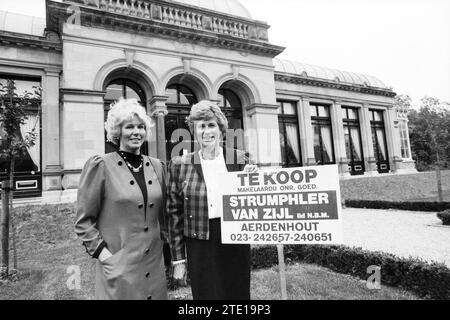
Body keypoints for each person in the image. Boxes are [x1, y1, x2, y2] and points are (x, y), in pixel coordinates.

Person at [75, 98, 168, 300]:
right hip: (118, 267)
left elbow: (165, 216)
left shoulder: (157, 166)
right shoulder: (100, 166)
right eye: (129, 127)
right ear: (118, 131)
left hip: (154, 268)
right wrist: (106, 257)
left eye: (141, 127)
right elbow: (84, 222)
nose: (136, 132)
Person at [166, 100, 257, 300]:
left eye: (211, 125)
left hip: (235, 237)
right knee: (207, 295)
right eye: (201, 126)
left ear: (221, 128)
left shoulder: (240, 159)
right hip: (200, 241)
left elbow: (254, 202)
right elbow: (174, 215)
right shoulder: (180, 164)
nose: (207, 131)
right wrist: (178, 260)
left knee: (238, 293)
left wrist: (254, 180)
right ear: (194, 131)